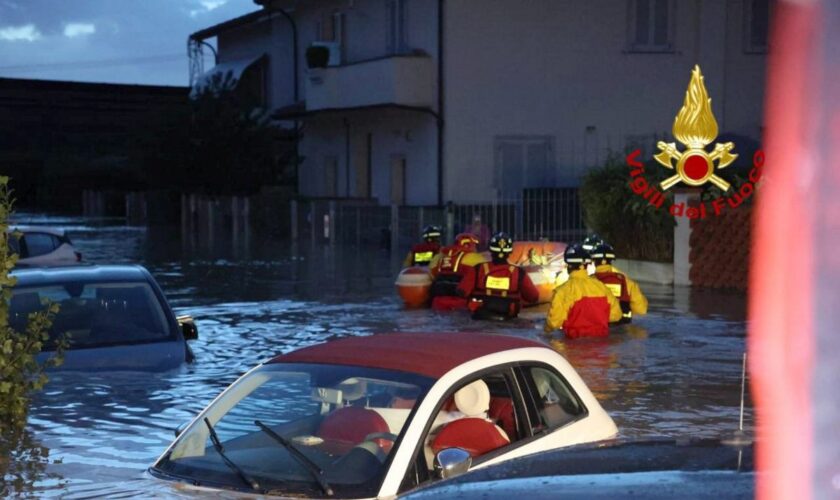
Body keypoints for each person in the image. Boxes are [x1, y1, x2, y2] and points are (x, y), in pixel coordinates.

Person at [544, 243, 622, 338]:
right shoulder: (602, 287)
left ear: (569, 266)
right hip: (602, 343)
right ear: (586, 265)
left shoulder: (562, 291)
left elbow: (554, 323)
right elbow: (616, 315)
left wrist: (545, 330)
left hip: (573, 343)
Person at [457, 232, 539, 320]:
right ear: (510, 252)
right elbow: (533, 297)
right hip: (508, 318)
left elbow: (462, 291)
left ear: (490, 251)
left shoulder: (478, 269)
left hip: (480, 317)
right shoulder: (519, 272)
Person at [591, 242, 648, 323]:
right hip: (622, 325)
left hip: (597, 324)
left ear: (594, 261)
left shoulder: (588, 282)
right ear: (611, 260)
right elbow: (641, 310)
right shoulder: (627, 281)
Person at [429, 233, 486, 310]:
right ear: (470, 245)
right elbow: (483, 277)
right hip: (460, 302)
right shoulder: (475, 258)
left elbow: (431, 275)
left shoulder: (438, 256)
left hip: (437, 301)